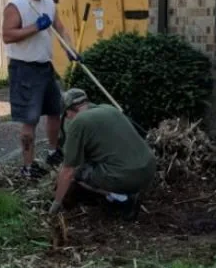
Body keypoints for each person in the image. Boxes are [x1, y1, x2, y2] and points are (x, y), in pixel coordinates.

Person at [2, 0, 75, 180]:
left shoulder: (48, 3)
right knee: (30, 119)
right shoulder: (16, 5)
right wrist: (36, 27)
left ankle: (53, 153)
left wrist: (70, 48)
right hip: (24, 69)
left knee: (55, 111)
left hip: (45, 66)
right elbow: (7, 35)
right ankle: (27, 166)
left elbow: (59, 26)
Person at [50, 88, 156, 220]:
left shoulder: (79, 121)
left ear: (70, 110)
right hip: (149, 169)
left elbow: (68, 171)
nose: (67, 117)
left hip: (128, 176)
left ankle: (123, 198)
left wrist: (56, 203)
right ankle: (126, 189)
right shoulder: (108, 108)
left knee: (77, 174)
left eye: (66, 114)